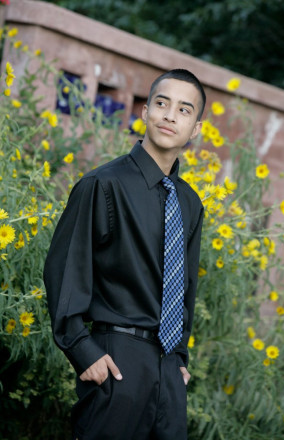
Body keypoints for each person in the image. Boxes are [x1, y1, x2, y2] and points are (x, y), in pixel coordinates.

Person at [43, 68, 205, 440]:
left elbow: (186, 289)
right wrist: (84, 352)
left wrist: (179, 359)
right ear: (145, 112)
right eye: (162, 104)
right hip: (116, 365)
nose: (169, 115)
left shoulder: (190, 204)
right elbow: (65, 271)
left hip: (168, 375)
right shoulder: (102, 185)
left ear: (195, 128)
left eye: (184, 109)